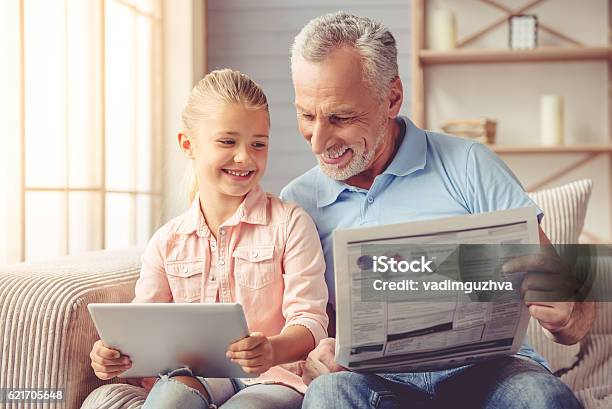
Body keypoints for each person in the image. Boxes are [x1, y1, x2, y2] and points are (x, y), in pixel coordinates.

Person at [280, 12, 595, 409]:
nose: (318, 141)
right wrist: (311, 357)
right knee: (328, 395)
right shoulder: (296, 203)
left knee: (541, 397)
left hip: (490, 372)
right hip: (373, 382)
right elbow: (297, 327)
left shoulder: (469, 164)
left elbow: (575, 313)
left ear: (392, 98)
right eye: (306, 115)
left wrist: (568, 315)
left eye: (340, 117)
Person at [88, 69, 329, 409]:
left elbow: (311, 321)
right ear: (188, 144)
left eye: (258, 144)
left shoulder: (290, 223)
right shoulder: (168, 241)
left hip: (274, 378)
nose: (245, 156)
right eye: (228, 142)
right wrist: (111, 354)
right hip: (194, 375)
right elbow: (140, 328)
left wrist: (272, 349)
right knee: (170, 399)